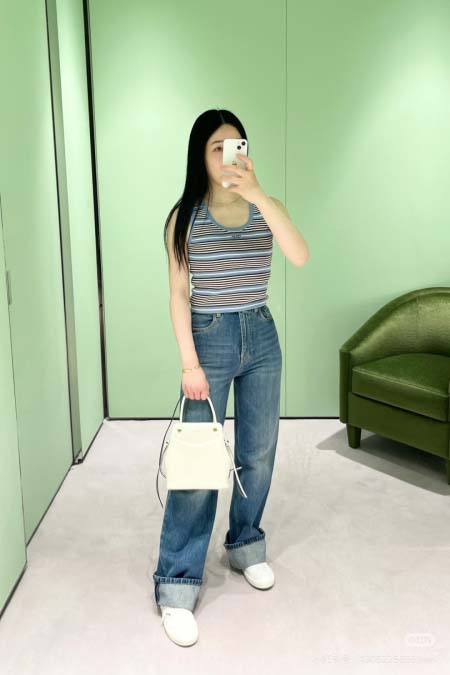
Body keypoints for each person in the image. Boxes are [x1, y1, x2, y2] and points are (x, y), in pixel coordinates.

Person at [153, 108, 309, 646]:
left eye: (235, 145)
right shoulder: (184, 217)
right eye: (216, 147)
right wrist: (189, 362)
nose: (227, 156)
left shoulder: (266, 207)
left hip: (261, 333)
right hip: (209, 336)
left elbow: (299, 255)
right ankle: (177, 581)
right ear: (200, 155)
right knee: (198, 462)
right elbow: (178, 294)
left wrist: (259, 194)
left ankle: (245, 544)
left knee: (258, 452)